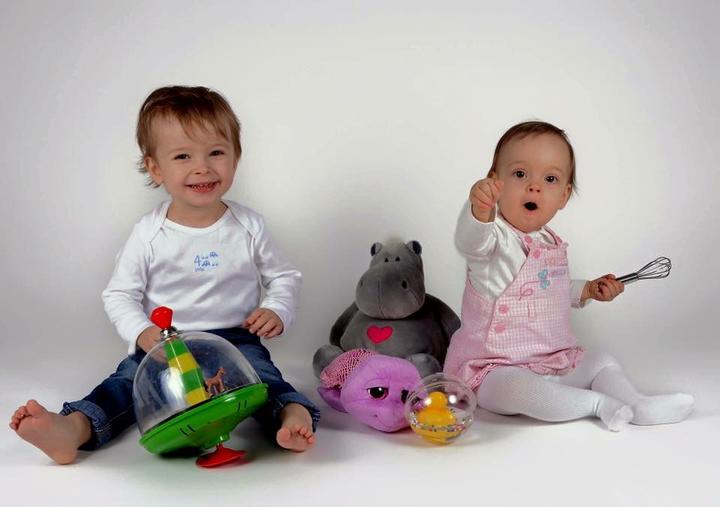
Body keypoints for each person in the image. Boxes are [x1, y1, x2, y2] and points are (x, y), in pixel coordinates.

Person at [10, 86, 319, 463]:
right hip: (166, 343)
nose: (202, 167)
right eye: (183, 156)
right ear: (155, 168)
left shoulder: (249, 227)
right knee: (125, 385)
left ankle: (293, 417)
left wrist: (276, 309)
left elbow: (284, 276)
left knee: (262, 378)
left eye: (216, 153)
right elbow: (119, 294)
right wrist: (142, 332)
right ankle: (73, 428)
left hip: (235, 339)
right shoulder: (149, 233)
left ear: (236, 158)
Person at [444, 121, 694, 431]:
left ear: (564, 196)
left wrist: (588, 289)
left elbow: (550, 288)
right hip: (494, 368)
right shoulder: (492, 238)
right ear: (495, 182)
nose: (534, 186)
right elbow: (469, 242)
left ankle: (636, 403)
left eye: (549, 179)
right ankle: (597, 405)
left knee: (601, 362)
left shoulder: (549, 241)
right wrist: (478, 210)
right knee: (519, 389)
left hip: (551, 359)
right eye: (520, 174)